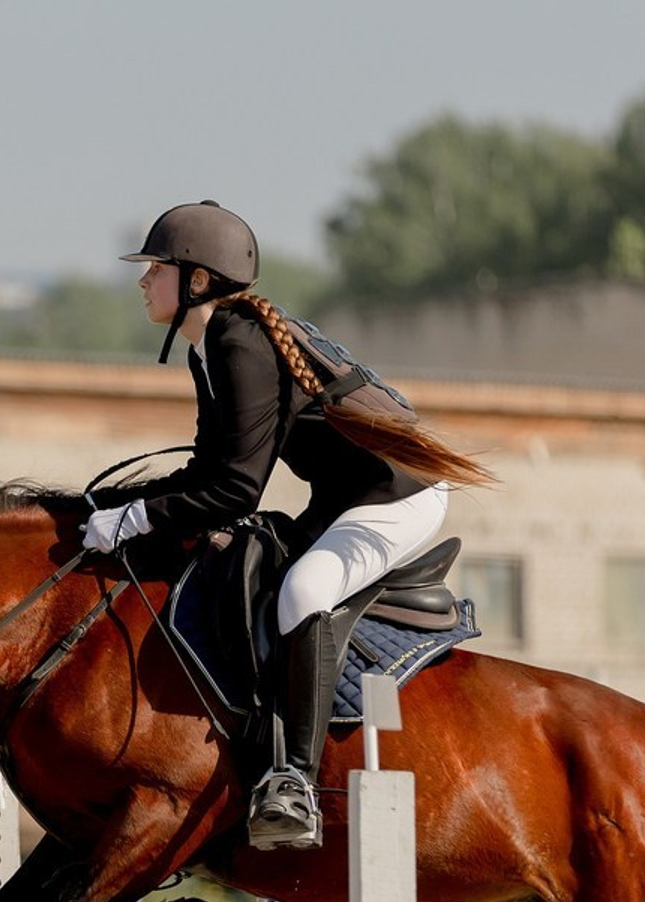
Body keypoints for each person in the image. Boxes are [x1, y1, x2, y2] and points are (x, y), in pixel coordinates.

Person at [82, 200, 492, 850]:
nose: (143, 280)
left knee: (305, 591)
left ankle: (293, 782)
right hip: (344, 495)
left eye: (156, 268)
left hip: (397, 497)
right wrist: (116, 506)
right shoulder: (210, 347)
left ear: (197, 279)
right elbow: (208, 470)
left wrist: (137, 519)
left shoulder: (237, 342)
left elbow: (236, 490)